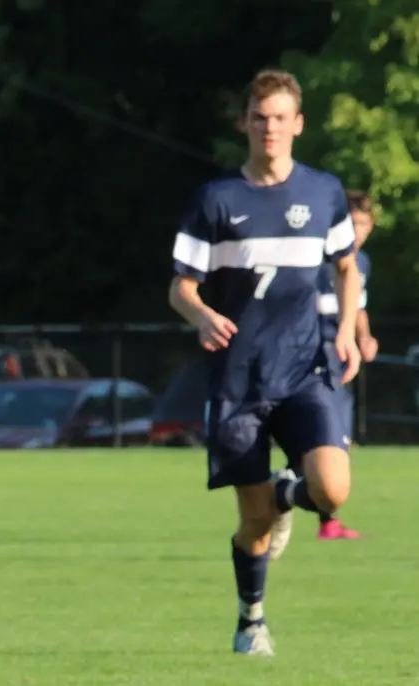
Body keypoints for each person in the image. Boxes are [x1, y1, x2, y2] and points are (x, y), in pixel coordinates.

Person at [168, 69, 361, 656]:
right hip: (238, 380)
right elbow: (180, 287)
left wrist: (347, 330)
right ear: (245, 124)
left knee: (333, 489)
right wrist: (200, 314)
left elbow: (347, 266)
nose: (269, 127)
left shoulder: (323, 192)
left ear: (297, 124)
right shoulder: (217, 200)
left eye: (280, 117)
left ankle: (289, 492)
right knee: (254, 523)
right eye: (260, 117)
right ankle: (251, 619)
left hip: (306, 370)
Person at [308, 189, 378, 542]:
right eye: (352, 223)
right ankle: (295, 500)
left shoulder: (360, 263)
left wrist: (363, 336)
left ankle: (325, 518)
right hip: (313, 351)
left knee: (339, 438)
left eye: (364, 224)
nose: (358, 230)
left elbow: (357, 306)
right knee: (325, 436)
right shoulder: (318, 257)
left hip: (340, 355)